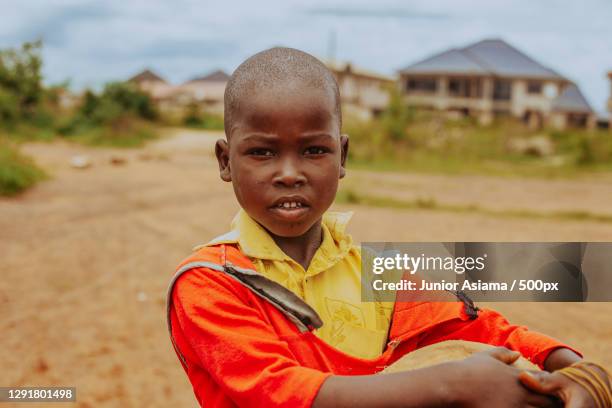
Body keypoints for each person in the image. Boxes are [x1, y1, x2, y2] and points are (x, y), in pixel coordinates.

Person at [166, 47, 611, 408]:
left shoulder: (377, 271)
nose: (289, 173)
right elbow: (281, 393)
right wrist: (449, 385)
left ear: (343, 158)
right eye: (262, 153)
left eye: (313, 151)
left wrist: (573, 368)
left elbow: (475, 328)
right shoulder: (210, 285)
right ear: (226, 161)